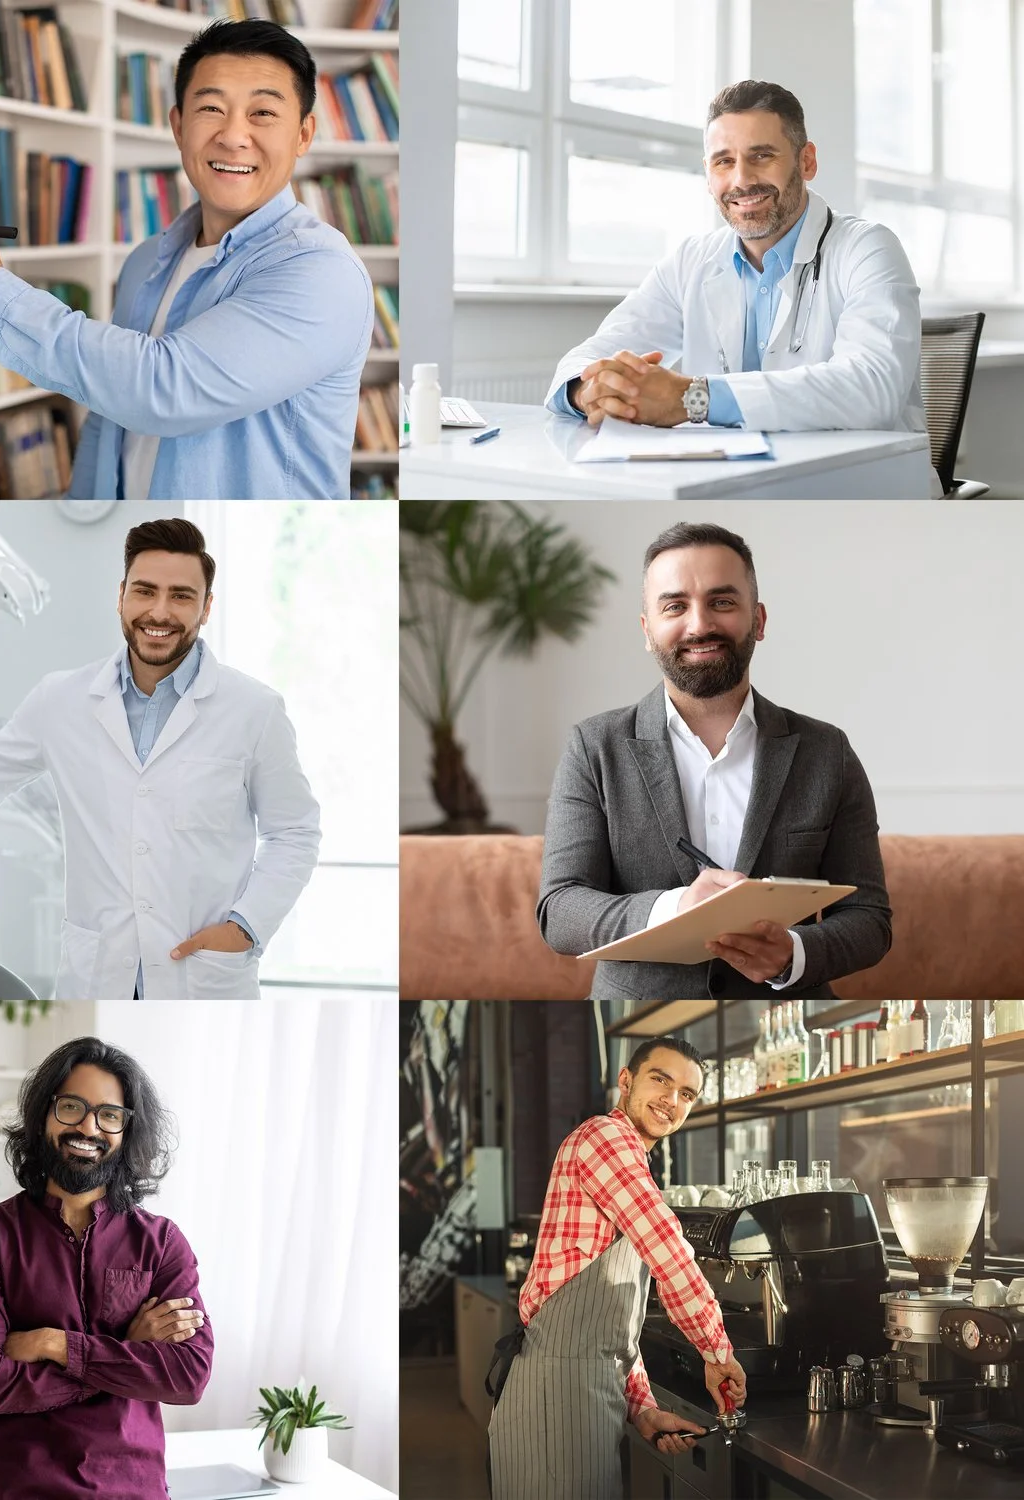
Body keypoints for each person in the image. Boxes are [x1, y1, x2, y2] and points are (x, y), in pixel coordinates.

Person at [0, 518, 319, 998]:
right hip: (97, 975)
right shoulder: (63, 700)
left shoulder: (254, 710)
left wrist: (244, 928)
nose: (159, 612)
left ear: (206, 608)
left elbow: (295, 832)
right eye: (144, 590)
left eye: (181, 596)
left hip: (204, 979)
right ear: (120, 596)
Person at [0, 19, 370, 499]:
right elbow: (108, 417)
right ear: (178, 126)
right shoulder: (145, 260)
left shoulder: (322, 272)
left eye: (262, 113)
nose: (234, 135)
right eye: (212, 108)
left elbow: (161, 391)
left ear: (303, 135)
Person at [537, 522, 891, 999]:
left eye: (722, 602)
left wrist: (794, 953)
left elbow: (870, 919)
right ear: (648, 630)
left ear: (759, 620)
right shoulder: (593, 747)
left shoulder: (827, 751)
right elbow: (559, 910)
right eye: (675, 606)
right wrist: (676, 907)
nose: (700, 625)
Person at [548, 80, 921, 438]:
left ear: (806, 162)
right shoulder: (690, 261)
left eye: (762, 155)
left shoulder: (868, 249)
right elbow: (593, 354)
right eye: (723, 161)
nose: (742, 179)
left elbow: (872, 389)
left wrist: (692, 399)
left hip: (861, 486)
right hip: (735, 480)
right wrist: (589, 390)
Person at [0, 1036, 210, 1498]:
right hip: (20, 1489)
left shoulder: (162, 1242)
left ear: (127, 1131)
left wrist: (53, 1344)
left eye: (109, 1115)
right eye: (72, 1106)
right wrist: (126, 1354)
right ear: (44, 1115)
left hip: (133, 1488)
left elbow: (188, 1376)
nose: (88, 1127)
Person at [488, 1036, 747, 1500]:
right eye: (660, 1080)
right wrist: (718, 1353)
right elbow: (668, 1250)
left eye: (687, 1094)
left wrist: (643, 1407)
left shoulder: (630, 1160)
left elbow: (608, 1330)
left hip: (581, 1387)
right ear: (625, 1081)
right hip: (558, 1394)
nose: (672, 1100)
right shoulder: (605, 1139)